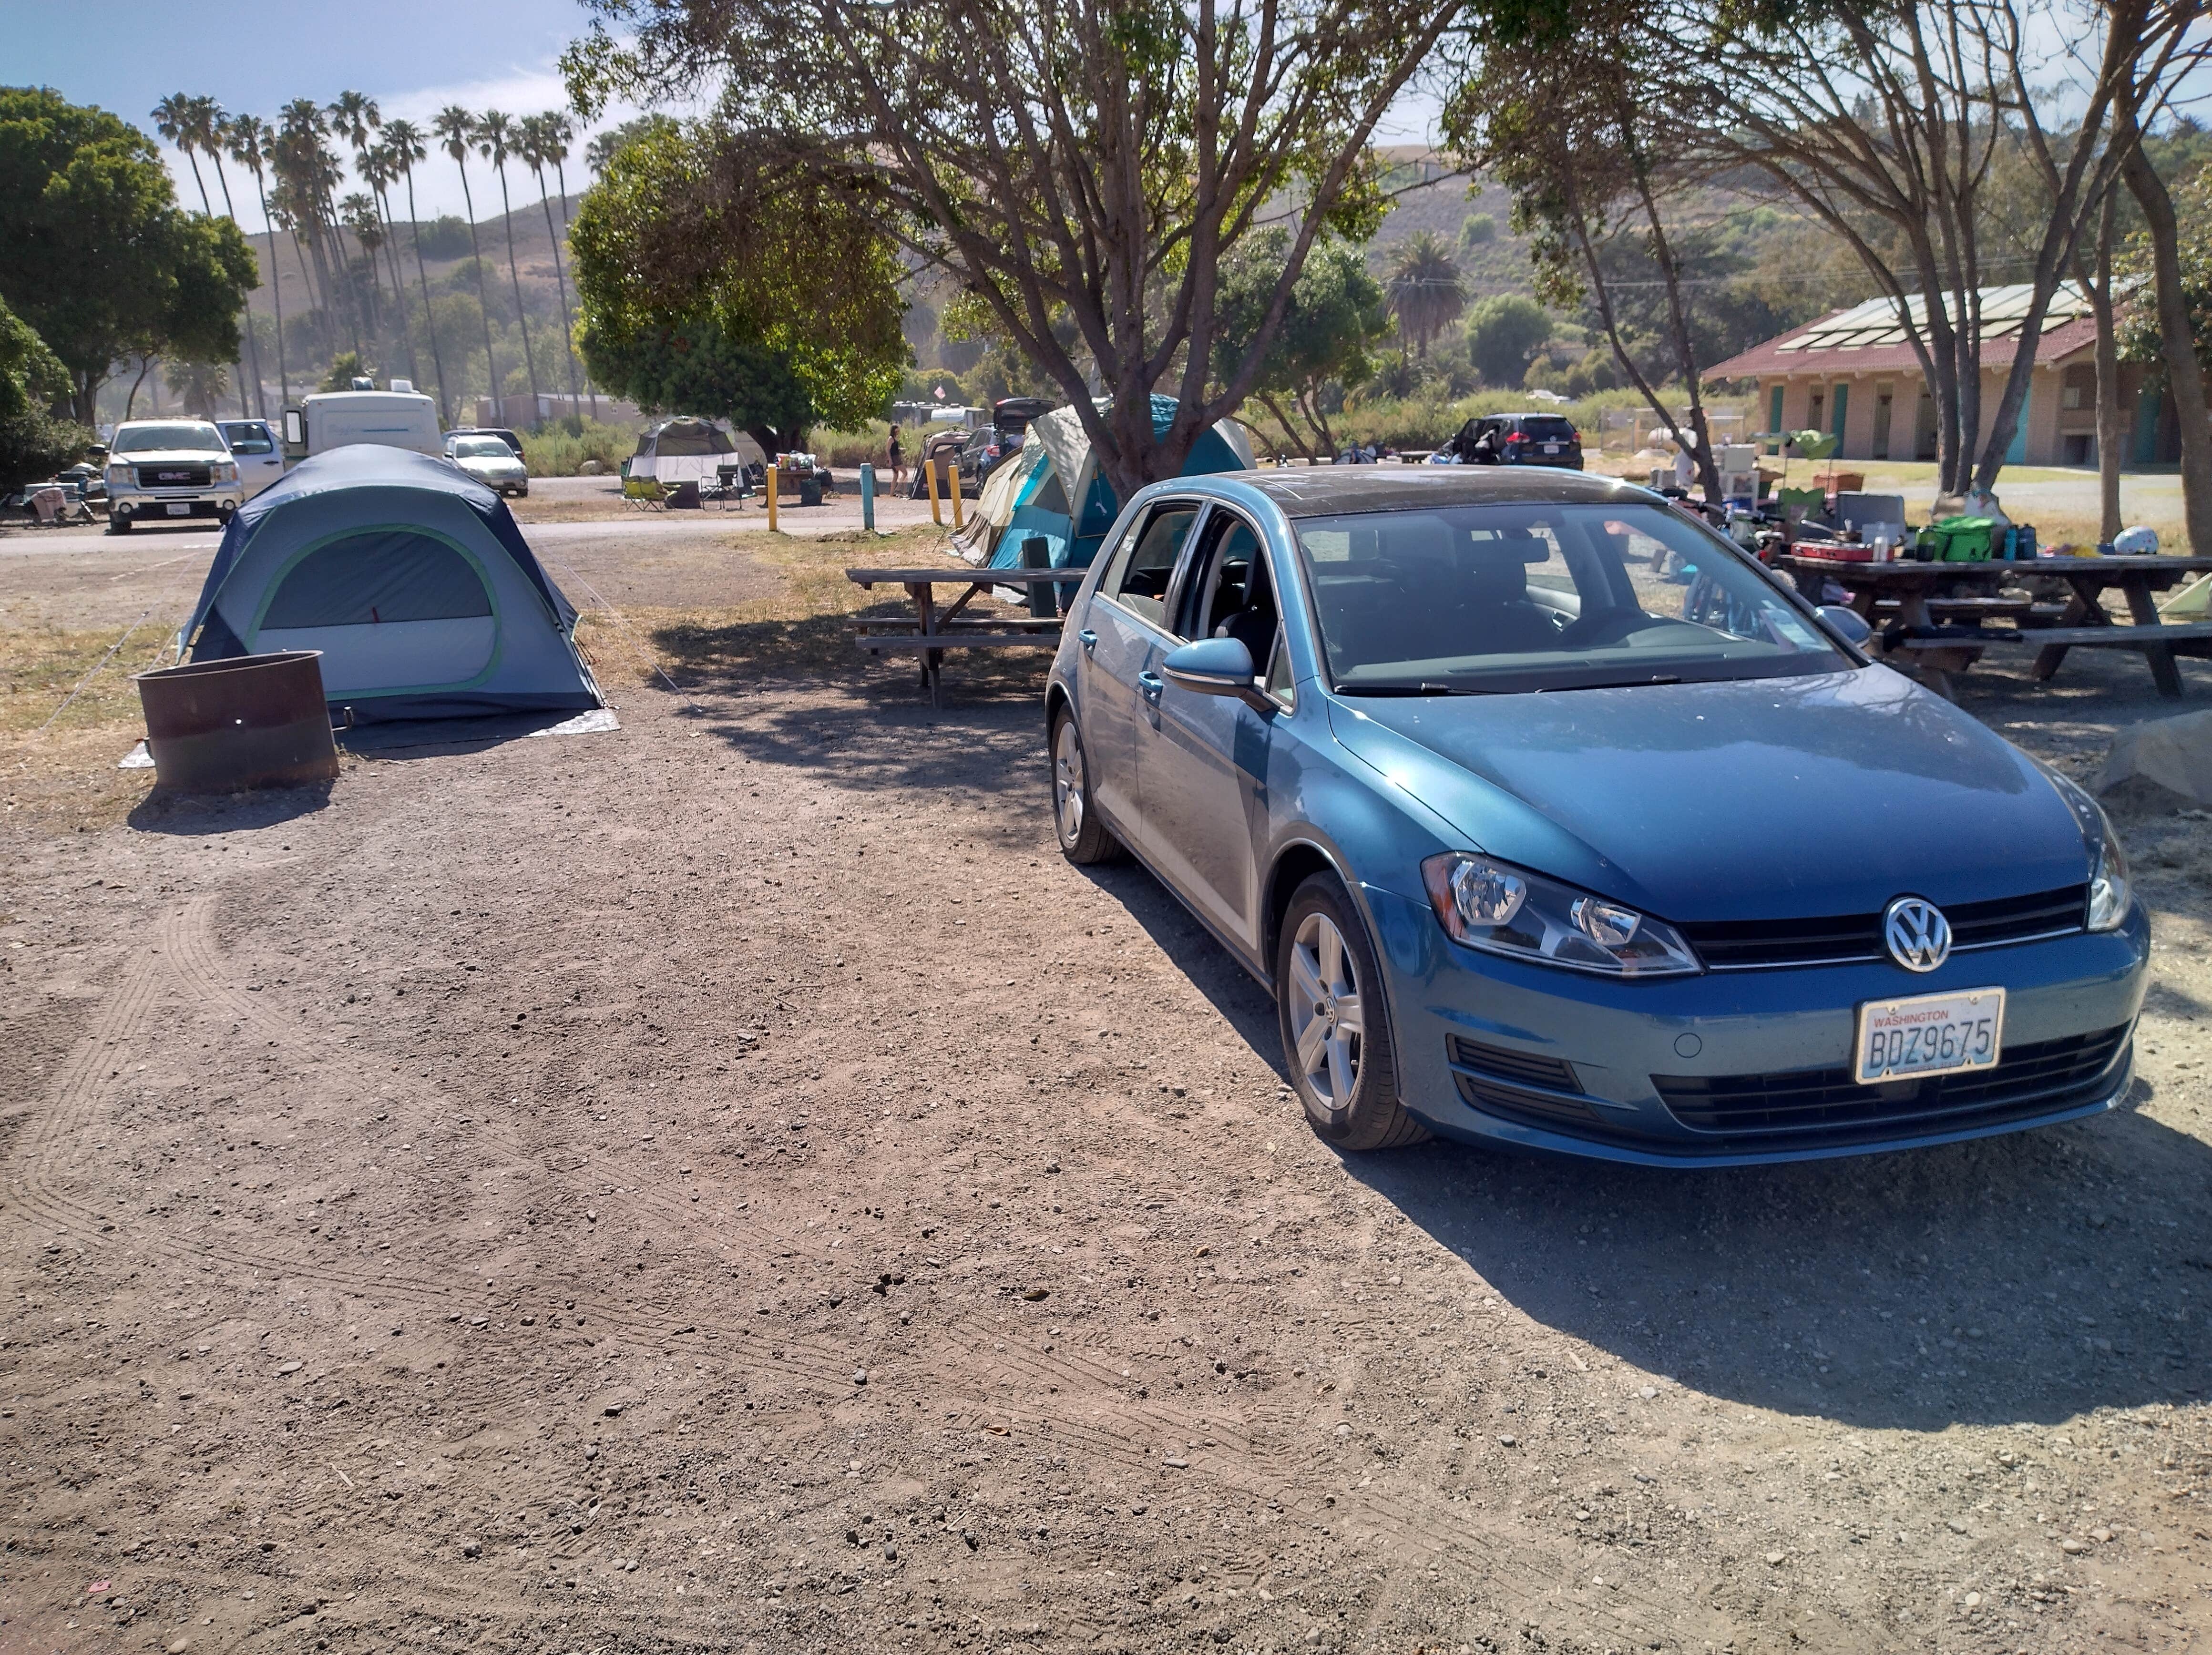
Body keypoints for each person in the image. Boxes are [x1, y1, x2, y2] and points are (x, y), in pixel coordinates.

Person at [888, 422, 905, 490]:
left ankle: (892, 492)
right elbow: (888, 450)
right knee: (905, 473)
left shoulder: (895, 438)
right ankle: (897, 489)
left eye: (898, 431)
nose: (898, 432)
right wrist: (890, 460)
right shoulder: (891, 439)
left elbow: (894, 448)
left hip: (897, 457)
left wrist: (900, 449)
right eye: (897, 431)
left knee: (896, 476)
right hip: (894, 458)